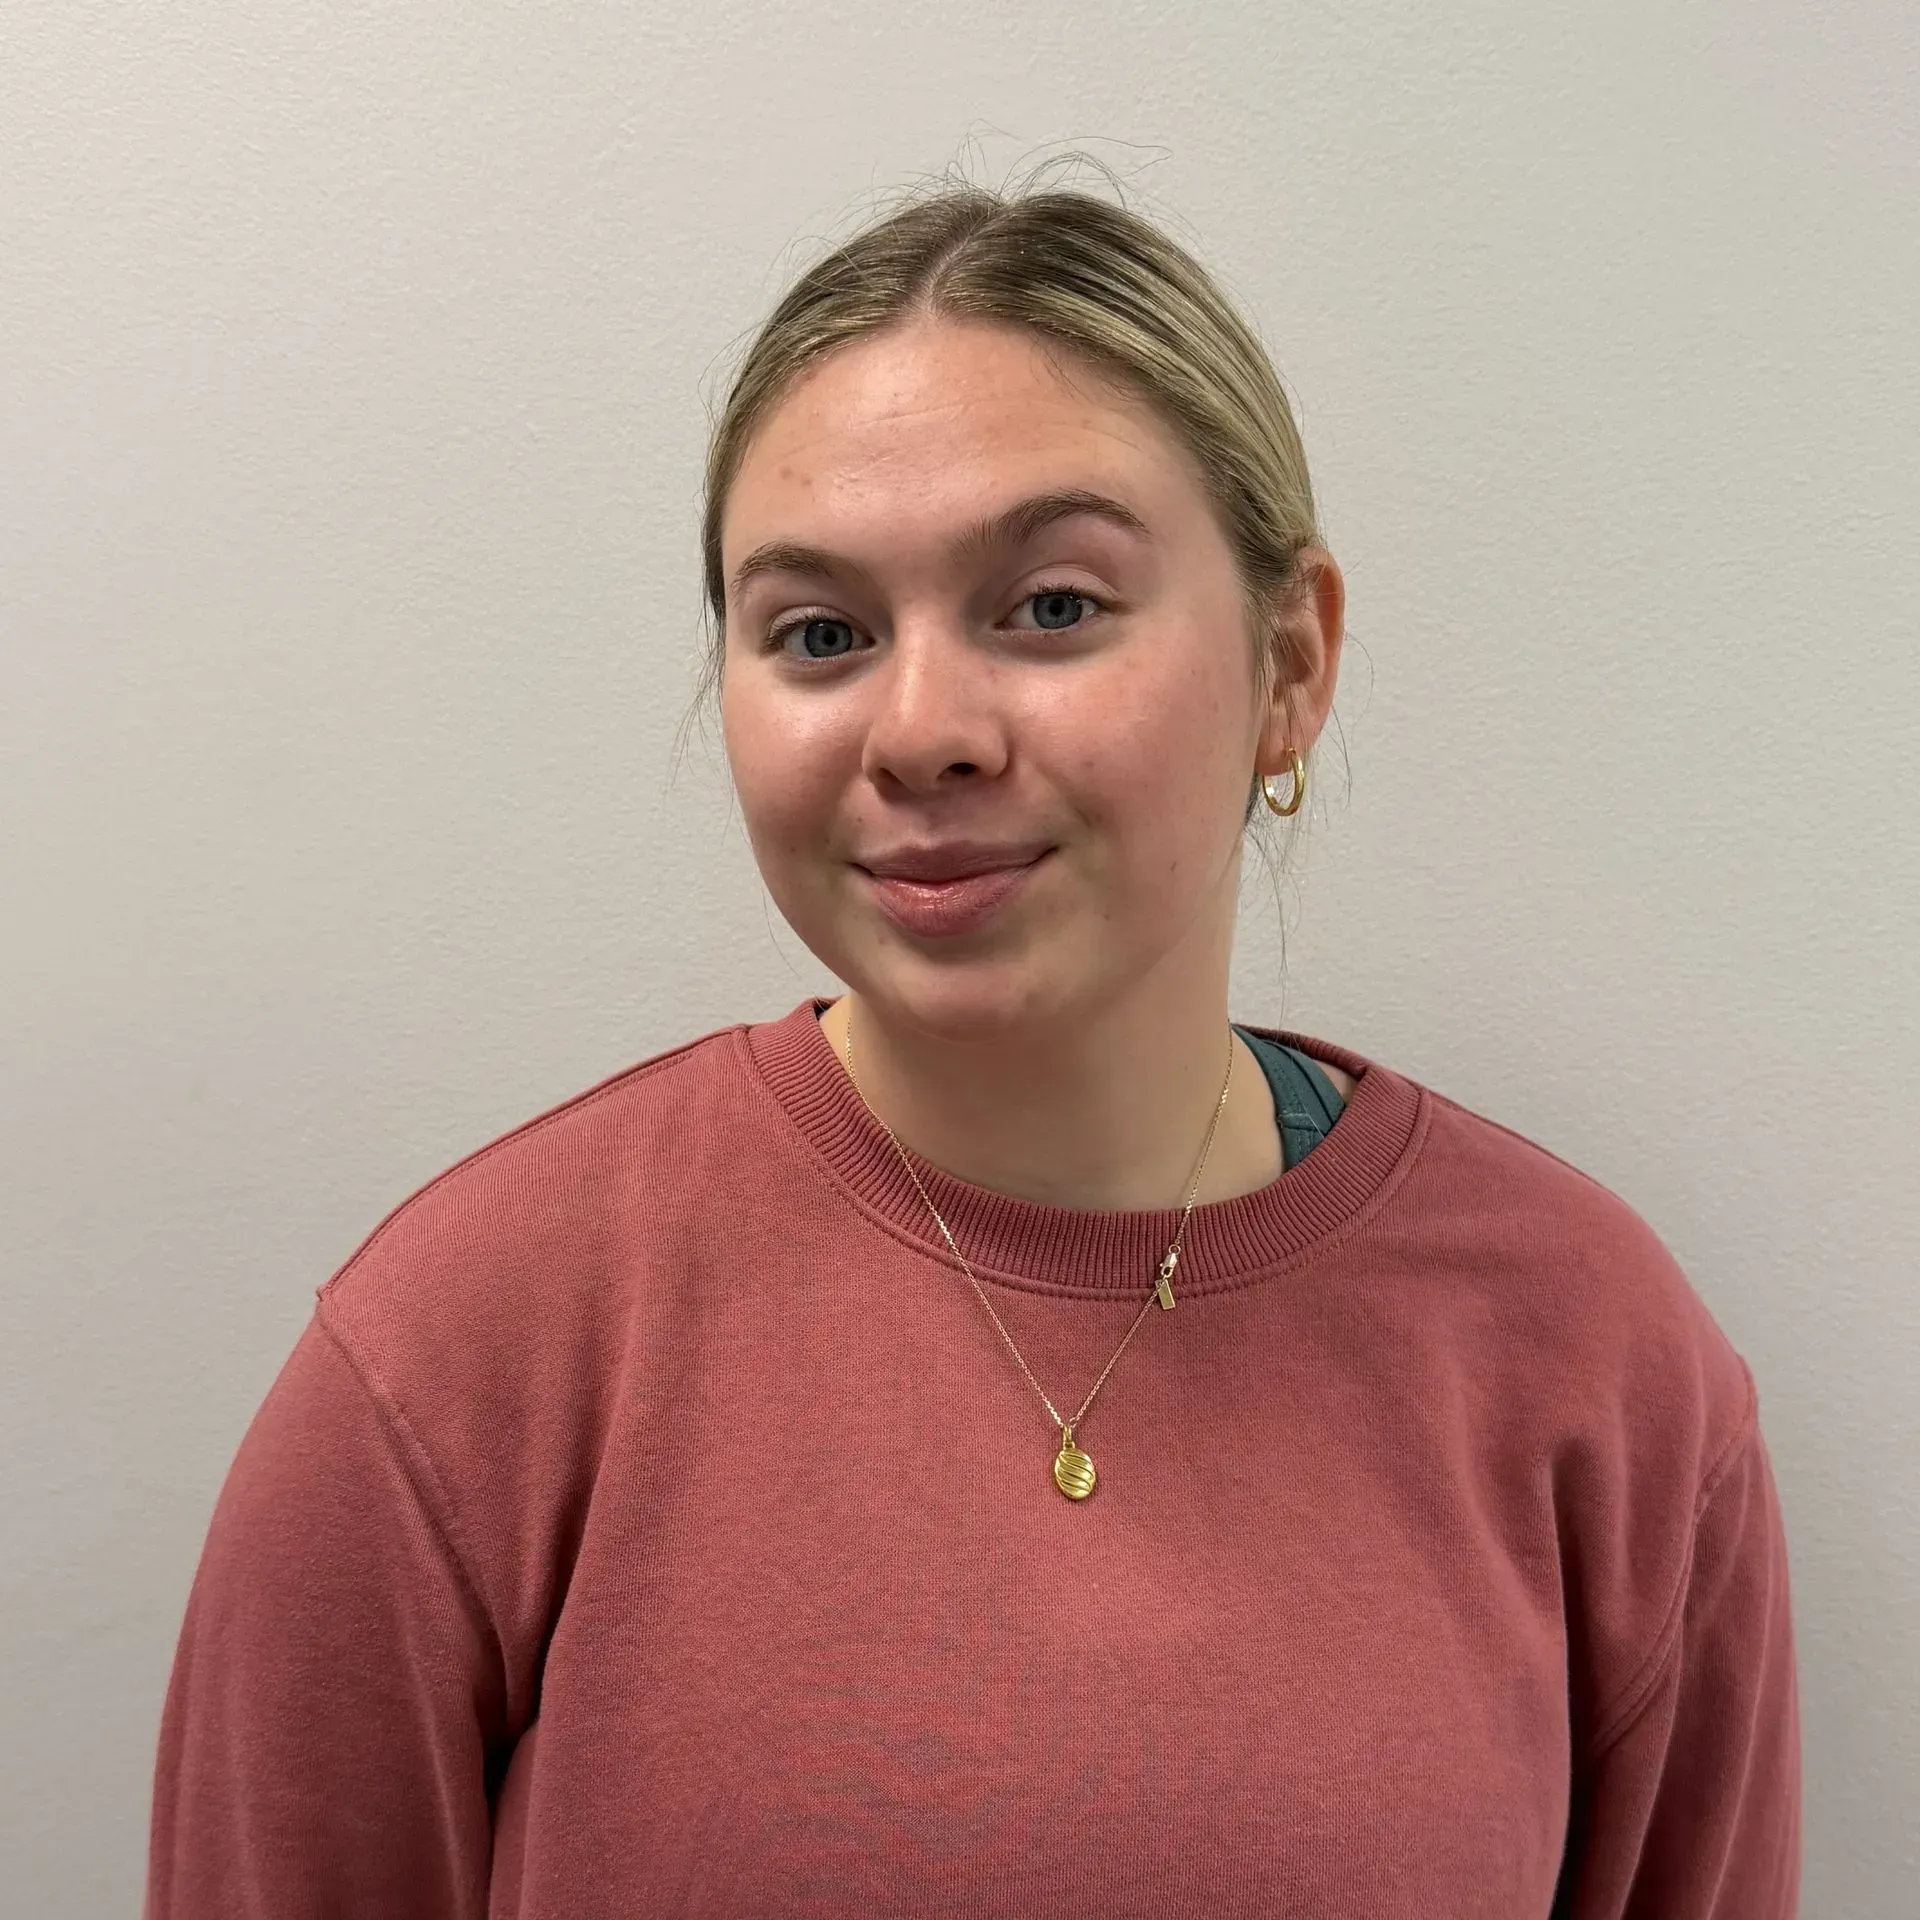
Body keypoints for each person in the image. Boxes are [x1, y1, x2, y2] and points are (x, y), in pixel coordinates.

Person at [145, 177, 1801, 1917]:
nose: (922, 729)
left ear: (1290, 661)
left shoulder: (1596, 1369)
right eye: (820, 634)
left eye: (1054, 605)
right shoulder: (462, 1360)